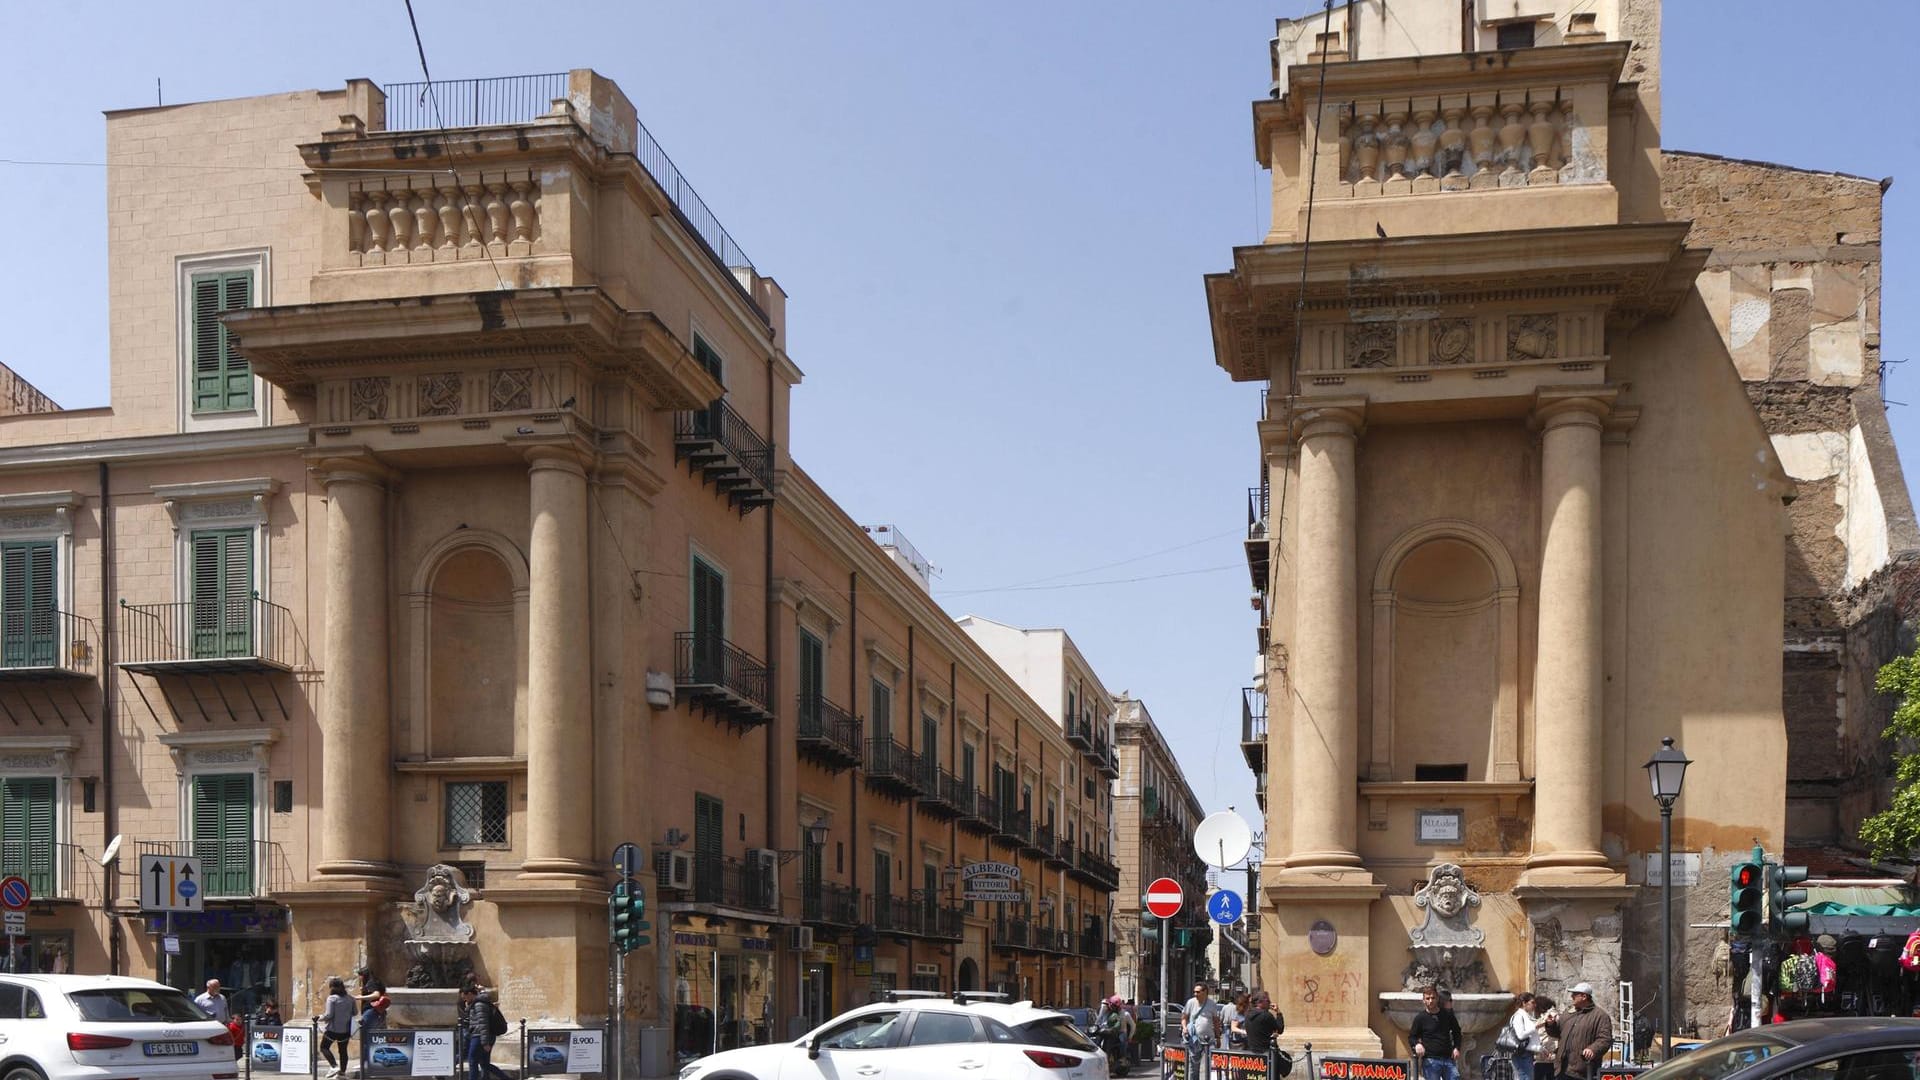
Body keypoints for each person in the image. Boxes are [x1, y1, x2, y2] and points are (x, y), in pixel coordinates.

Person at [1548, 983, 1613, 1080]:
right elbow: (1557, 1033)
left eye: (1575, 994)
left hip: (1582, 1070)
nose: (1572, 996)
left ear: (1584, 996)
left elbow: (1605, 1039)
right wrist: (1551, 1024)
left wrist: (1593, 1049)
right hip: (1562, 1068)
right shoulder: (1568, 1014)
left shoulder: (1600, 1016)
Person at [1409, 985, 1464, 1080]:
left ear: (1437, 998)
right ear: (1423, 1000)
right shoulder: (1420, 1018)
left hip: (1448, 1059)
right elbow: (1412, 1037)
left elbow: (1457, 1032)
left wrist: (1456, 1048)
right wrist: (1417, 1044)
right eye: (1428, 998)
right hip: (1430, 1060)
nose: (1430, 1001)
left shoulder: (1447, 1015)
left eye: (1433, 998)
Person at [460, 985, 508, 1080]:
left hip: (479, 1036)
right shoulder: (479, 1003)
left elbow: (483, 1024)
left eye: (464, 997)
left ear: (469, 994)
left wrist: (485, 1042)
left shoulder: (479, 1005)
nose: (464, 1000)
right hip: (485, 1036)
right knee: (485, 1063)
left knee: (472, 1060)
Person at [1181, 982, 1223, 1080]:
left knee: (1211, 1066)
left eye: (1198, 992)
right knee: (1194, 1066)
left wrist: (1218, 1037)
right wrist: (1184, 1028)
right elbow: (1184, 1017)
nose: (1195, 994)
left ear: (1205, 992)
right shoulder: (1191, 1002)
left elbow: (1216, 1021)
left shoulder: (1212, 1004)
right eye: (1194, 992)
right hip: (1194, 1040)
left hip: (1209, 1040)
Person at [318, 977, 354, 1080]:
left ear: (332, 987)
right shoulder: (350, 998)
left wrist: (320, 1018)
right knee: (343, 1051)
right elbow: (355, 1012)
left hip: (332, 1030)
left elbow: (329, 1015)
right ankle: (342, 1073)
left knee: (324, 1047)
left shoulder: (332, 998)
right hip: (346, 1031)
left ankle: (334, 1066)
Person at [1499, 993, 1539, 1080]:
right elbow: (1520, 1035)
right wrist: (1536, 1027)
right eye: (1532, 1002)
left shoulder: (1526, 1016)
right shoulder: (1518, 1016)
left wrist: (1543, 1049)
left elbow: (1531, 1037)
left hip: (1525, 1053)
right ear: (1524, 1003)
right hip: (1521, 1053)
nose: (1535, 1005)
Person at [1243, 991, 1284, 1055]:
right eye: (1268, 1001)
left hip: (1251, 1051)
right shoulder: (1266, 1015)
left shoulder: (1247, 1014)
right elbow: (1280, 1029)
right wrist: (1278, 1012)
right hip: (1266, 1052)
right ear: (1260, 1002)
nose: (1270, 1002)